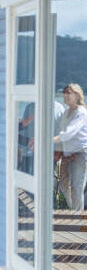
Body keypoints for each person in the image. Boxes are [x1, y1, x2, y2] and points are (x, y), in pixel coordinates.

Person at [54, 83, 87, 213]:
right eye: (65, 92)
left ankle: (77, 218)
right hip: (67, 154)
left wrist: (48, 140)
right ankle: (74, 210)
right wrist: (59, 151)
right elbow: (62, 131)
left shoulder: (82, 112)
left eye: (69, 92)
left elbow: (68, 133)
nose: (65, 95)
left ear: (77, 95)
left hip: (80, 154)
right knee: (63, 185)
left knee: (76, 187)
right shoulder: (66, 112)